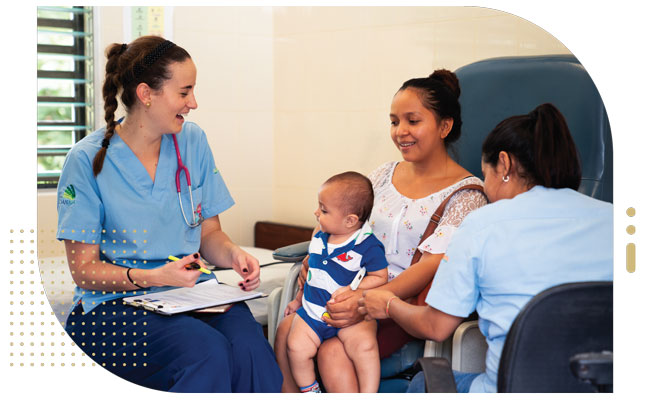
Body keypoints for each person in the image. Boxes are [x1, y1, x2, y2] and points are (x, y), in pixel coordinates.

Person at [57, 36, 282, 392]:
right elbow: (84, 271)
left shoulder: (192, 141)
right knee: (206, 353)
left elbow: (209, 234)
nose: (193, 103)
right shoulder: (86, 161)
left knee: (251, 350)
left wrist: (235, 254)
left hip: (194, 293)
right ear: (146, 94)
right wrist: (154, 276)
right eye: (184, 92)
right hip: (116, 306)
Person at [359, 103, 613, 393]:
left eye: (487, 174)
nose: (487, 189)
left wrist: (388, 305)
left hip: (507, 390)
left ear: (504, 164)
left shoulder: (482, 224)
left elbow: (436, 327)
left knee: (422, 382)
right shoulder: (618, 221)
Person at [274, 69, 488, 392]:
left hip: (397, 309)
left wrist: (365, 299)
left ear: (445, 126)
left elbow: (431, 266)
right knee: (285, 331)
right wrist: (317, 260)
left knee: (332, 351)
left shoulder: (467, 195)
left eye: (412, 121)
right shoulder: (381, 176)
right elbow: (345, 223)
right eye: (394, 121)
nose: (400, 131)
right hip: (346, 288)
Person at [283, 172, 389, 393]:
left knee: (365, 347)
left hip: (349, 316)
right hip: (313, 312)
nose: (316, 213)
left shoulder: (366, 245)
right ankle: (310, 390)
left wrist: (356, 289)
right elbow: (311, 277)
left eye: (323, 210)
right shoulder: (320, 238)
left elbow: (380, 277)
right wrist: (297, 300)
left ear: (350, 220)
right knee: (295, 347)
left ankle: (369, 393)